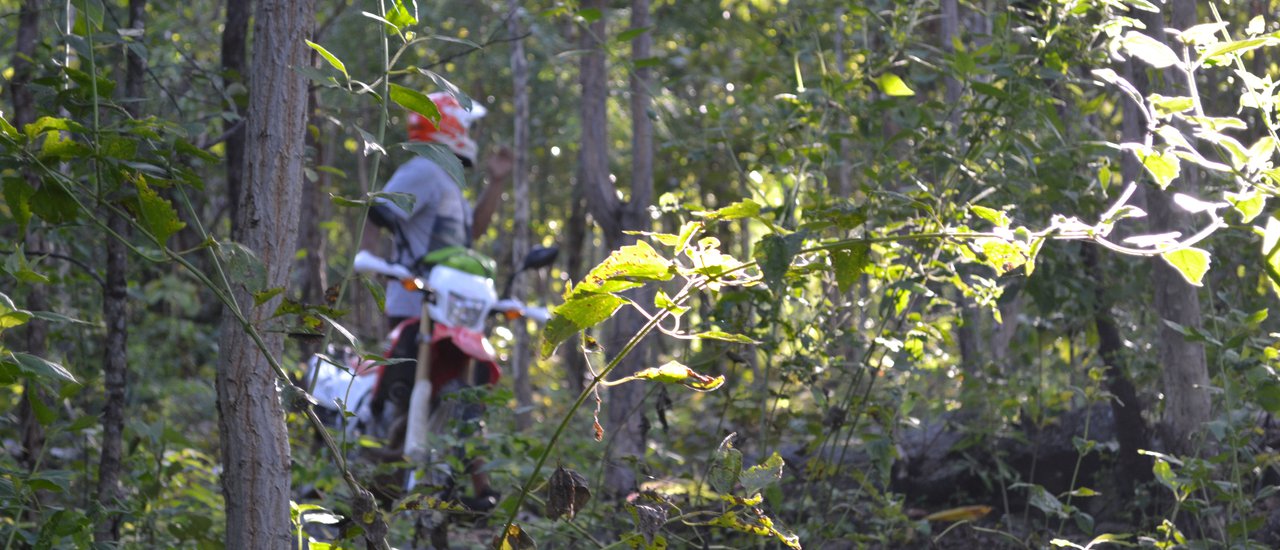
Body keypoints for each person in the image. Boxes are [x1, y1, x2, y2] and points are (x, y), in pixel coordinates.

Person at [357, 91, 509, 510]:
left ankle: (396, 483)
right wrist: (370, 268)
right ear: (451, 126)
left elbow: (469, 236)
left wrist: (496, 182)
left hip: (451, 307)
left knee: (455, 391)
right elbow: (379, 212)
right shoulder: (423, 171)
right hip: (418, 305)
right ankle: (467, 489)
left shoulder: (446, 179)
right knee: (418, 389)